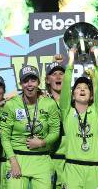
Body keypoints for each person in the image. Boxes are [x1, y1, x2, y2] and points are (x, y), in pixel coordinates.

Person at [0, 65, 60, 189]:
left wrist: (42, 142)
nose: (29, 84)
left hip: (42, 160)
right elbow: (4, 136)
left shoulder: (49, 103)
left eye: (33, 80)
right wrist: (13, 161)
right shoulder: (11, 104)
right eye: (25, 81)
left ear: (38, 82)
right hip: (17, 159)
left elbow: (55, 131)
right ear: (20, 84)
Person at [60, 46, 98, 189]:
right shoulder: (67, 112)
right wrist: (71, 61)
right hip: (72, 169)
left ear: (91, 95)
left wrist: (96, 62)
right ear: (73, 95)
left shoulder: (97, 111)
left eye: (85, 88)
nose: (81, 89)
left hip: (95, 171)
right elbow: (66, 86)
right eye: (78, 88)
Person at [45, 56, 67, 188]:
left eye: (61, 73)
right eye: (54, 74)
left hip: (69, 161)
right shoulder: (42, 102)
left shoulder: (75, 102)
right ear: (48, 80)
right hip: (49, 159)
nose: (58, 77)